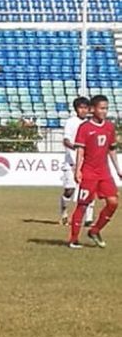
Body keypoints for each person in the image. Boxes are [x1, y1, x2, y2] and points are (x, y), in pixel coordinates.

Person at [68, 95, 120, 249]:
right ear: (93, 109)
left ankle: (95, 230)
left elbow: (111, 150)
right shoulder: (84, 128)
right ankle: (74, 239)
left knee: (113, 202)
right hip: (89, 172)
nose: (104, 111)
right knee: (83, 204)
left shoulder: (109, 127)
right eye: (101, 108)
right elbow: (80, 151)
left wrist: (118, 169)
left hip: (104, 172)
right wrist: (78, 170)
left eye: (106, 108)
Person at [60, 97, 94, 226]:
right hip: (71, 162)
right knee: (70, 190)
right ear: (76, 109)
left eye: (86, 108)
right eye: (81, 108)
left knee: (89, 189)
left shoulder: (90, 123)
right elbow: (66, 140)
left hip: (86, 162)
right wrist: (75, 147)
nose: (84, 110)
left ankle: (88, 219)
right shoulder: (71, 122)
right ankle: (63, 210)